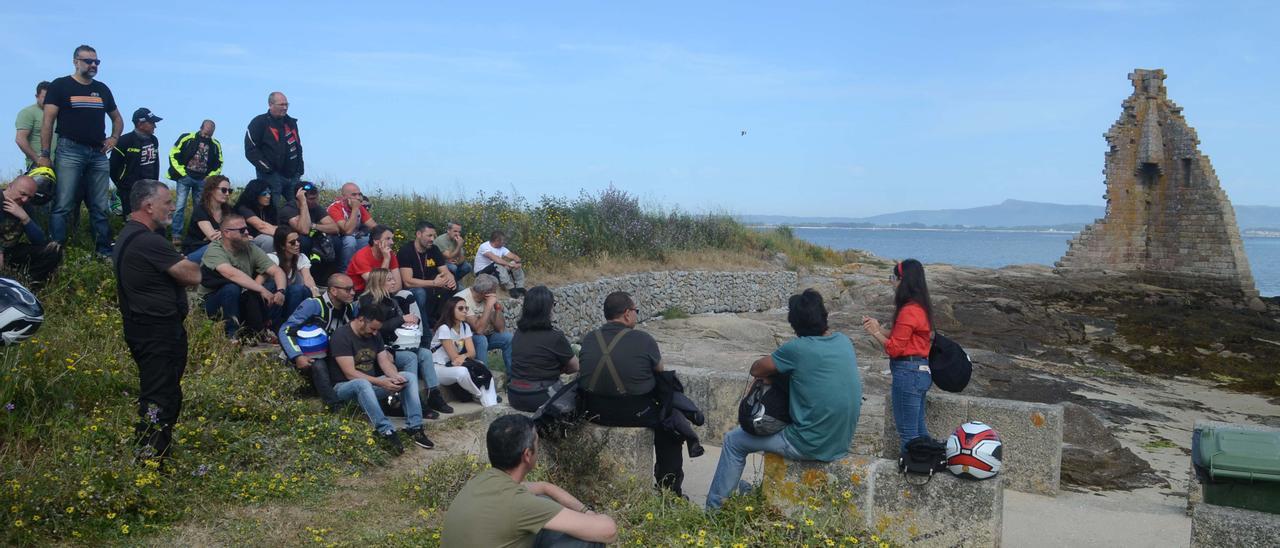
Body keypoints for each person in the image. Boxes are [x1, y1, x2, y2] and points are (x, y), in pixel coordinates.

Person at [706, 289, 862, 510]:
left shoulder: (797, 348)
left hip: (808, 443)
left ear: (795, 324)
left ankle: (714, 509)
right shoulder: (844, 342)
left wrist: (775, 376)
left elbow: (756, 369)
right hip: (840, 442)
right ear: (824, 316)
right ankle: (747, 491)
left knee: (734, 441)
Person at [113, 179, 201, 459]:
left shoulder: (132, 235)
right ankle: (150, 461)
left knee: (164, 394)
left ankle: (155, 455)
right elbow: (192, 275)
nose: (173, 209)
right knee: (160, 397)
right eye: (167, 203)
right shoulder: (148, 240)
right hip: (156, 332)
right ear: (148, 206)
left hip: (149, 328)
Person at [442, 414, 618, 548]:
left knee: (544, 502)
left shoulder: (482, 481)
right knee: (589, 542)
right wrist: (588, 514)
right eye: (536, 443)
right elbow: (608, 531)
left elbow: (542, 488)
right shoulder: (521, 505)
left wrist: (548, 488)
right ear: (527, 455)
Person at [577, 291, 688, 495]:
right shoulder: (644, 340)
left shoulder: (590, 338)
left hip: (593, 410)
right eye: (636, 311)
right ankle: (670, 490)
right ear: (627, 314)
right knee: (671, 426)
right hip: (635, 412)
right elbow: (661, 371)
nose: (636, 315)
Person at [39, 45, 123, 258]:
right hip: (70, 149)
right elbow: (47, 122)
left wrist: (113, 138)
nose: (93, 65)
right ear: (76, 61)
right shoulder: (61, 85)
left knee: (100, 205)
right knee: (63, 204)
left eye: (97, 62)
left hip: (98, 152)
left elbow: (117, 118)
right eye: (89, 61)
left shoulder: (102, 88)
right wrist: (45, 154)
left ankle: (103, 250)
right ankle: (56, 250)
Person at [328, 301, 433, 453]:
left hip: (372, 386)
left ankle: (415, 427)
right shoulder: (341, 336)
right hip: (344, 387)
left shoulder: (374, 335)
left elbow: (384, 362)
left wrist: (395, 377)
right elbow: (350, 373)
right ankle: (386, 431)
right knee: (361, 383)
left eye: (378, 330)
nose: (376, 333)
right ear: (361, 320)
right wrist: (382, 382)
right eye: (373, 329)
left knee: (408, 376)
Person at [863, 259, 934, 452]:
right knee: (919, 432)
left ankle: (911, 472)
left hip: (908, 374)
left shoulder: (909, 310)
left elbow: (894, 349)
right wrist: (879, 328)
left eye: (894, 278)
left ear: (904, 281)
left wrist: (875, 333)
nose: (892, 282)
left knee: (908, 434)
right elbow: (903, 337)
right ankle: (929, 463)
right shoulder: (920, 307)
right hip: (920, 371)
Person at [357, 268, 446, 420]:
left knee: (425, 353)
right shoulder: (368, 301)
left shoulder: (392, 300)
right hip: (379, 348)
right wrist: (402, 319)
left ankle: (434, 394)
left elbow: (398, 323)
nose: (394, 282)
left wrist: (410, 323)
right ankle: (413, 402)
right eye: (390, 280)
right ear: (379, 282)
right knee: (411, 357)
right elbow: (376, 329)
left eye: (393, 279)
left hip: (397, 343)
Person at [198, 213, 287, 343]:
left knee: (272, 287)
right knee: (232, 288)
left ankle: (264, 330)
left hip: (238, 299)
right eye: (241, 230)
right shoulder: (215, 250)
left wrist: (281, 291)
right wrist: (261, 290)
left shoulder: (249, 248)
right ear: (227, 233)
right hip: (212, 303)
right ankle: (232, 335)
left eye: (246, 228)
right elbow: (231, 273)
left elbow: (277, 271)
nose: (246, 232)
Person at [278, 273, 356, 409]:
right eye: (348, 289)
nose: (353, 293)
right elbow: (285, 330)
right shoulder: (313, 305)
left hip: (330, 354)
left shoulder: (349, 308)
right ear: (333, 290)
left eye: (353, 289)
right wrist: (297, 356)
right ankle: (335, 406)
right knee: (319, 365)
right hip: (304, 357)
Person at [508, 286, 578, 412]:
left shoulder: (518, 333)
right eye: (553, 304)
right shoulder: (555, 336)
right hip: (539, 396)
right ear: (548, 309)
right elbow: (575, 366)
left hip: (514, 395)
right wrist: (559, 370)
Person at [167, 120, 222, 245]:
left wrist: (209, 177)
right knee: (180, 205)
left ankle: (199, 235)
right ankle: (176, 235)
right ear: (201, 128)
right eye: (206, 132)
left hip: (202, 180)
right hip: (185, 177)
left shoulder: (215, 144)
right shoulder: (187, 138)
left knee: (201, 208)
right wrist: (182, 173)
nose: (207, 135)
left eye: (211, 133)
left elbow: (219, 162)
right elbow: (173, 154)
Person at [0, 175, 62, 285]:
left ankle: (28, 283)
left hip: (10, 252)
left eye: (29, 197)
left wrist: (25, 218)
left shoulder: (26, 207)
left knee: (53, 250)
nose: (25, 200)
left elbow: (39, 241)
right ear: (10, 186)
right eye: (22, 194)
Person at [244, 91, 302, 207]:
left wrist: (300, 169)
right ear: (271, 104)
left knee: (299, 205)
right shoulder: (259, 122)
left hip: (292, 175)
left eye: (287, 104)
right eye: (282, 105)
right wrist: (268, 169)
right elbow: (251, 150)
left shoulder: (291, 123)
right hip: (271, 175)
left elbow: (297, 146)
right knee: (271, 207)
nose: (285, 108)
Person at [429, 296, 488, 404]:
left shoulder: (465, 326)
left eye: (466, 308)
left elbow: (472, 353)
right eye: (460, 308)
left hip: (451, 364)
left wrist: (464, 356)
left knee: (481, 365)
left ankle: (486, 393)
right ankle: (479, 394)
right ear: (451, 309)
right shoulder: (444, 328)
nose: (465, 311)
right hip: (438, 367)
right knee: (462, 371)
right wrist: (462, 357)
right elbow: (454, 357)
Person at [397, 221, 456, 323]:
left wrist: (451, 280)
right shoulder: (406, 251)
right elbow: (407, 282)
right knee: (420, 293)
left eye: (434, 236)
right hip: (413, 288)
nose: (432, 239)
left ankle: (441, 322)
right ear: (418, 234)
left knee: (455, 287)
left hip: (431, 285)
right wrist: (434, 283)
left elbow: (445, 271)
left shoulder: (434, 249)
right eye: (429, 236)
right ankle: (425, 332)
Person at [455, 273, 513, 373]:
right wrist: (488, 306)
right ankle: (484, 375)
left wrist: (497, 308)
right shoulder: (463, 300)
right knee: (481, 339)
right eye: (494, 291)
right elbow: (479, 330)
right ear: (485, 293)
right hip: (465, 341)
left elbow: (501, 329)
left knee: (508, 337)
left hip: (487, 336)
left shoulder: (488, 299)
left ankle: (513, 378)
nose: (495, 294)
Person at [109, 108, 162, 217]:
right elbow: (112, 166)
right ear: (140, 124)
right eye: (151, 123)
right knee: (132, 220)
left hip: (150, 189)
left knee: (151, 220)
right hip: (130, 190)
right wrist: (122, 185)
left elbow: (155, 163)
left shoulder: (154, 140)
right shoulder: (124, 141)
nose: (154, 126)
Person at [278, 181, 337, 261]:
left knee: (336, 240)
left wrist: (314, 226)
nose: (315, 201)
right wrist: (303, 203)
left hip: (311, 238)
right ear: (299, 198)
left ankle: (332, 271)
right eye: (311, 199)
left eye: (316, 198)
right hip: (290, 241)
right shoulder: (288, 209)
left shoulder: (315, 207)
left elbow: (335, 228)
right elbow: (304, 230)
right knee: (304, 240)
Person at [267, 228, 318, 320]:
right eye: (292, 242)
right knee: (291, 289)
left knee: (299, 290)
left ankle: (292, 322)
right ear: (282, 246)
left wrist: (315, 292)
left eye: (298, 240)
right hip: (274, 298)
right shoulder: (272, 258)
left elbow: (308, 277)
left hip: (290, 298)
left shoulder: (301, 257)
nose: (297, 244)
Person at [181, 175, 232, 263]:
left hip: (218, 247)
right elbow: (214, 238)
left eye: (229, 191)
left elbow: (239, 232)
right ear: (211, 190)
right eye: (224, 190)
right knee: (220, 248)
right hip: (197, 249)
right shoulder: (200, 209)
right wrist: (228, 233)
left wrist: (224, 233)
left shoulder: (229, 210)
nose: (227, 193)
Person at [327, 182, 376, 270]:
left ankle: (363, 269)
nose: (358, 198)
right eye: (354, 195)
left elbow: (374, 226)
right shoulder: (335, 208)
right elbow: (348, 231)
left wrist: (384, 236)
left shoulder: (359, 207)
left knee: (369, 239)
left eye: (359, 194)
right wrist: (355, 209)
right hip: (337, 238)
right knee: (350, 241)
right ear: (344, 197)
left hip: (354, 236)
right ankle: (344, 270)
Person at [346, 224, 398, 294]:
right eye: (388, 239)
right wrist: (386, 259)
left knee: (405, 294)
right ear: (376, 241)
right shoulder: (361, 256)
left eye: (392, 239)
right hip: (360, 295)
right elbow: (376, 284)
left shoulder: (389, 253)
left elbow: (398, 284)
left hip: (383, 293)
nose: (392, 242)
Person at [14, 81, 54, 171]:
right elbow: (20, 139)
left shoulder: (57, 113)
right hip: (37, 166)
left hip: (60, 164)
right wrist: (38, 159)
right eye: (45, 97)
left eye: (51, 96)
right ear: (37, 96)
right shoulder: (28, 113)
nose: (48, 99)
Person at [232, 178, 280, 253]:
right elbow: (261, 226)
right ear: (254, 194)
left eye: (269, 193)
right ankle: (268, 264)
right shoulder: (243, 208)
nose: (268, 196)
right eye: (264, 193)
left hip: (261, 238)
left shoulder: (270, 209)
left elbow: (276, 227)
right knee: (268, 240)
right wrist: (284, 236)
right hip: (247, 241)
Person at [475, 230, 526, 297]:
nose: (504, 243)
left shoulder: (502, 248)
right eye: (503, 241)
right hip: (482, 272)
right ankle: (511, 289)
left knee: (513, 263)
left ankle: (520, 287)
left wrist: (518, 262)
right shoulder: (484, 246)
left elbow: (513, 256)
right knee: (498, 264)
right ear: (497, 241)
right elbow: (496, 259)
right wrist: (509, 264)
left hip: (496, 271)